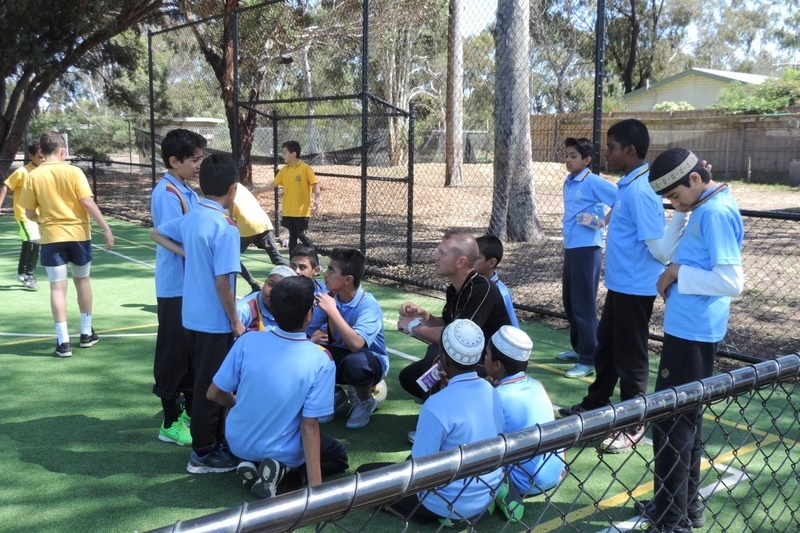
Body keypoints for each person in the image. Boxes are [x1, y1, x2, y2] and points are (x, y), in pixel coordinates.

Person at [558, 119, 684, 455]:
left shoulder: (642, 191)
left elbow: (658, 247)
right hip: (621, 285)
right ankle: (597, 403)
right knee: (607, 351)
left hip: (636, 288)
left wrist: (673, 258)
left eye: (612, 148)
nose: (606, 154)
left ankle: (633, 425)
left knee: (631, 357)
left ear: (630, 151)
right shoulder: (630, 184)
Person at [638, 148, 744, 533]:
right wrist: (681, 213)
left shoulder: (714, 212)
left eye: (675, 196)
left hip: (694, 333)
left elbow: (732, 282)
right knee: (684, 422)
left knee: (672, 423)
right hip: (687, 329)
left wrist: (678, 273)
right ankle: (680, 506)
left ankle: (672, 519)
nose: (672, 203)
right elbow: (665, 251)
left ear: (696, 180)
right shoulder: (699, 206)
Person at [208, 276, 349, 499]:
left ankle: (256, 466)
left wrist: (237, 404)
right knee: (338, 455)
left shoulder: (247, 340)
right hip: (280, 449)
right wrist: (317, 490)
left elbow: (214, 393)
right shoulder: (321, 359)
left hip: (237, 442)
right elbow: (309, 426)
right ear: (309, 316)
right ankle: (283, 475)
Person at [357, 319, 504, 526]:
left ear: (443, 359)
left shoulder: (436, 405)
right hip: (486, 491)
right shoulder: (491, 390)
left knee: (364, 474)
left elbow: (420, 469)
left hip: (446, 501)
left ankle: (427, 514)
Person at [150, 154, 245, 474]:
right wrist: (235, 320)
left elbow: (157, 232)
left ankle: (216, 442)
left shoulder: (193, 216)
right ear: (233, 189)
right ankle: (203, 454)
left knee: (208, 381)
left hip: (190, 317)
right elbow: (223, 282)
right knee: (212, 385)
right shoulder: (226, 227)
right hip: (213, 322)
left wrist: (190, 254)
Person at [19, 131, 115, 357]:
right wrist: (106, 227)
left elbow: (30, 212)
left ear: (41, 152)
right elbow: (87, 202)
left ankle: (63, 342)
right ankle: (85, 333)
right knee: (82, 282)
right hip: (79, 235)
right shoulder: (74, 171)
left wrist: (45, 219)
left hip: (52, 237)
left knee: (57, 288)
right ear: (63, 151)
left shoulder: (33, 175)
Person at [397, 231, 511, 401]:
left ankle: (440, 417)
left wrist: (413, 327)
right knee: (410, 378)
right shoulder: (455, 287)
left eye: (441, 253)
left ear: (461, 262)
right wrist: (422, 315)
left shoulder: (481, 289)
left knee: (436, 354)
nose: (434, 257)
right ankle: (455, 402)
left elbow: (456, 339)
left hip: (491, 367)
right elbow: (449, 323)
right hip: (467, 360)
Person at [150, 128, 206, 447]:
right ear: (174, 161)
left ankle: (185, 414)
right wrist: (196, 253)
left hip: (189, 286)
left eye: (200, 158)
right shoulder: (166, 193)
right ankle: (169, 422)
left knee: (189, 353)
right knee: (172, 354)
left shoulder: (187, 190)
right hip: (174, 286)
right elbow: (171, 235)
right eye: (194, 159)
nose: (198, 164)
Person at [484, 326, 565, 523]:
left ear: (497, 365)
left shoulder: (496, 396)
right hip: (555, 473)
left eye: (486, 353)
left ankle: (502, 487)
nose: (483, 357)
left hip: (523, 481)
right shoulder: (537, 385)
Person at [306, 247, 388, 429]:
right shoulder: (330, 298)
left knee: (355, 363)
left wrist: (333, 311)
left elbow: (357, 344)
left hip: (370, 362)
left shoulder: (367, 304)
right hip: (343, 355)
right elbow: (305, 331)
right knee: (307, 349)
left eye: (331, 270)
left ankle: (366, 401)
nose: (325, 274)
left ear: (348, 280)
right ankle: (334, 394)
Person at [556, 137, 618, 379]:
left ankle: (588, 358)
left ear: (587, 160)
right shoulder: (569, 181)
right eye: (567, 155)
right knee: (570, 301)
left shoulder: (593, 182)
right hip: (572, 248)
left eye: (573, 156)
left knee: (583, 304)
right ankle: (579, 348)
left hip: (587, 250)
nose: (568, 160)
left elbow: (620, 199)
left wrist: (601, 222)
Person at [253, 140, 320, 254]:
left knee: (301, 234)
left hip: (301, 211)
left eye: (284, 152)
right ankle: (292, 263)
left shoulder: (306, 168)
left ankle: (314, 258)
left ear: (293, 154)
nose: (282, 155)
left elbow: (315, 185)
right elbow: (273, 184)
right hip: (288, 210)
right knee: (292, 236)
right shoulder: (284, 170)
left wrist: (317, 200)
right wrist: (258, 191)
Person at [0, 141, 44, 290]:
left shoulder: (43, 171)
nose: (43, 159)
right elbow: (6, 185)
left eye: (44, 156)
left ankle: (21, 273)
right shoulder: (23, 172)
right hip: (23, 213)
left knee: (28, 243)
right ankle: (28, 275)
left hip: (35, 214)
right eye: (39, 157)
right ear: (31, 156)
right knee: (35, 241)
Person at [231, 182, 290, 293]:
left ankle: (253, 284)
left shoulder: (227, 189)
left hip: (248, 224)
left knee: (232, 256)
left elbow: (229, 214)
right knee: (276, 258)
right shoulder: (240, 186)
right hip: (263, 221)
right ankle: (297, 279)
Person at [475, 235, 520, 327]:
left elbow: (512, 327)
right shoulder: (470, 284)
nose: (469, 261)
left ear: (491, 263)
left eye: (476, 258)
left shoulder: (501, 293)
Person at [237, 265, 296, 332]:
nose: (273, 291)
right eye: (270, 284)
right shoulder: (243, 310)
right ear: (265, 282)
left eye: (281, 288)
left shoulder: (292, 308)